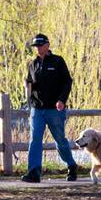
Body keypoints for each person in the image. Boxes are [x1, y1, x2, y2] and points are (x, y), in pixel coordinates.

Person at [22, 34, 77, 183]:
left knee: (59, 140)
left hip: (55, 109)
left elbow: (67, 82)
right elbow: (28, 82)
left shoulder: (58, 61)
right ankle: (34, 171)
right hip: (37, 109)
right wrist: (27, 88)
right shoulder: (33, 64)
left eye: (40, 45)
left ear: (47, 45)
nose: (38, 49)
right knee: (35, 140)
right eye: (36, 46)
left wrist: (62, 100)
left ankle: (71, 165)